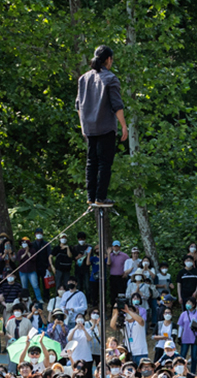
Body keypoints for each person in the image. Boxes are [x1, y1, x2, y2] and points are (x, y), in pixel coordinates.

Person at [76, 44, 128, 205]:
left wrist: (83, 125)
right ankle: (101, 196)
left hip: (90, 127)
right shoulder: (111, 78)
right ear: (108, 59)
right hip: (105, 126)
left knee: (91, 162)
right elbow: (116, 105)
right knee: (105, 162)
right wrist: (124, 126)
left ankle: (91, 196)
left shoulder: (83, 78)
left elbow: (78, 106)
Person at [178, 297, 197, 373]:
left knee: (194, 357)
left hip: (195, 337)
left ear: (194, 304)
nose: (187, 304)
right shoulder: (183, 314)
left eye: (189, 303)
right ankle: (181, 371)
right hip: (185, 337)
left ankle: (192, 372)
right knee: (182, 355)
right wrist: (179, 336)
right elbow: (181, 325)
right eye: (187, 303)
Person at [31, 228, 52, 302]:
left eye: (40, 233)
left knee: (45, 283)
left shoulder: (46, 244)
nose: (39, 234)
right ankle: (37, 297)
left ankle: (46, 297)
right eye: (37, 233)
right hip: (35, 266)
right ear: (35, 234)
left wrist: (50, 265)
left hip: (44, 266)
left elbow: (49, 254)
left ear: (42, 234)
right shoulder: (32, 244)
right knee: (36, 283)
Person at [73, 232, 91, 297]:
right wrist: (77, 257)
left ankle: (88, 300)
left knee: (87, 286)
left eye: (82, 239)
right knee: (78, 286)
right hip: (78, 270)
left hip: (86, 269)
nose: (81, 240)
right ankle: (78, 299)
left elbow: (91, 257)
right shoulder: (75, 248)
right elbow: (72, 258)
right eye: (80, 239)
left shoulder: (88, 247)